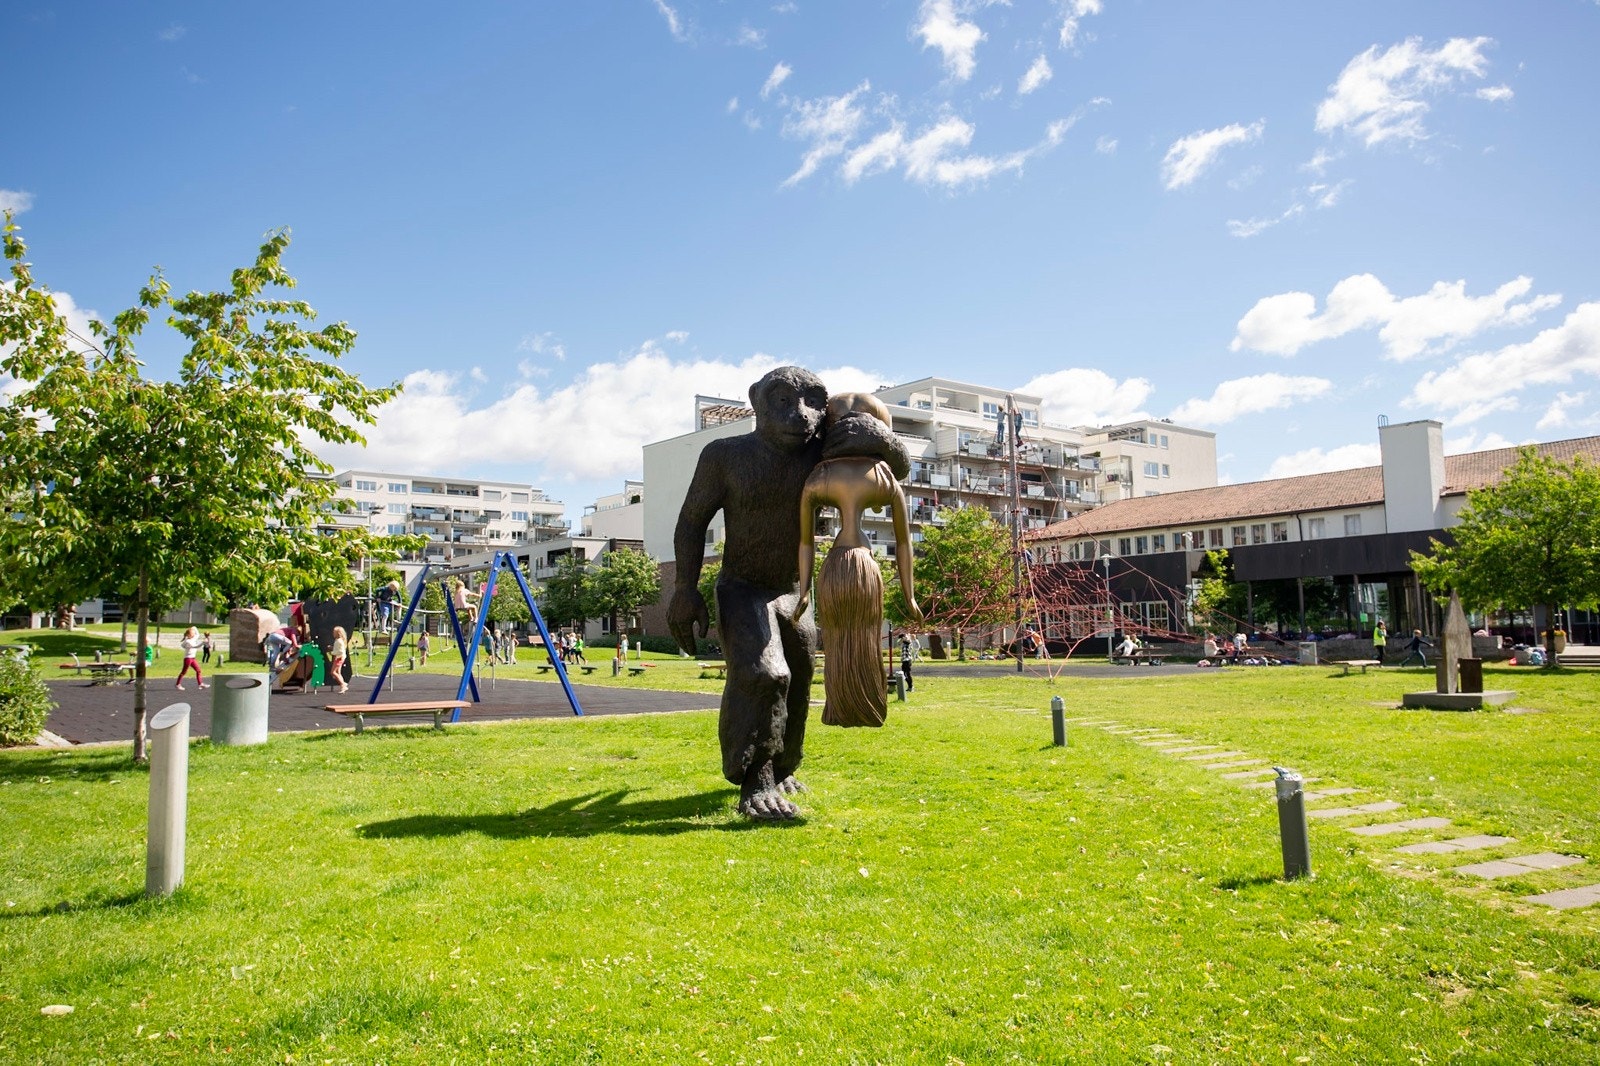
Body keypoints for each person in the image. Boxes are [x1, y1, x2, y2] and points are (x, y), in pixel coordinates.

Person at [670, 366, 909, 819]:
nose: (798, 414)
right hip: (741, 587)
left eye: (814, 402)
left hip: (793, 591)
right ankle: (754, 779)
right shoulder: (724, 455)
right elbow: (690, 522)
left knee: (798, 670)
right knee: (764, 673)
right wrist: (684, 588)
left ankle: (783, 766)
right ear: (756, 401)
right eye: (781, 400)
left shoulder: (821, 453)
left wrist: (874, 429)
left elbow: (894, 467)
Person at [793, 392, 921, 727]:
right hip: (864, 566)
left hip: (834, 567)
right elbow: (904, 542)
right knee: (865, 634)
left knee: (836, 637)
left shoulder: (819, 477)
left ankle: (840, 706)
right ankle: (867, 704)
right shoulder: (884, 478)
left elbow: (805, 542)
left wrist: (804, 591)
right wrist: (909, 593)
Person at [176, 625, 207, 690]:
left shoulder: (193, 638)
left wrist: (193, 627)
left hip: (192, 658)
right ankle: (178, 684)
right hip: (188, 658)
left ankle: (200, 684)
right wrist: (203, 643)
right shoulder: (188, 641)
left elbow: (198, 634)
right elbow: (195, 646)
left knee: (198, 670)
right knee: (184, 672)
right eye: (193, 633)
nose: (194, 634)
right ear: (189, 635)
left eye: (194, 633)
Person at [329, 625, 349, 693]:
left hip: (339, 658)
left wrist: (332, 652)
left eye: (334, 632)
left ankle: (343, 684)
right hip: (340, 657)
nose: (333, 633)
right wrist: (332, 648)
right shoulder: (338, 641)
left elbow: (340, 651)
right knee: (338, 672)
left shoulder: (339, 641)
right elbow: (338, 649)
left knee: (333, 672)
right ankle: (343, 685)